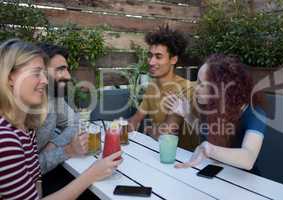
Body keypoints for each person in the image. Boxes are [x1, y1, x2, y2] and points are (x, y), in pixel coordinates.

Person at [0, 39, 122, 199]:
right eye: (36, 73)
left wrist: (55, 143)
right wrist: (90, 173)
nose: (43, 80)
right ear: (9, 77)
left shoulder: (26, 124)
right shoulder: (6, 137)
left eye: (43, 73)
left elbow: (76, 122)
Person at [164, 54, 266, 171]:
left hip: (245, 182)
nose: (196, 88)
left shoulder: (254, 113)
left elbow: (248, 158)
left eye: (201, 84)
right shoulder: (215, 107)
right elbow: (209, 130)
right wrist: (187, 114)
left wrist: (209, 149)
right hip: (218, 172)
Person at [128, 25, 199, 150]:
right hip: (157, 153)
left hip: (181, 160)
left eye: (158, 56)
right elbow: (136, 119)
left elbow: (165, 136)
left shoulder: (185, 89)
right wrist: (120, 127)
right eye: (150, 55)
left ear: (173, 59)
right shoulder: (153, 85)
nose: (151, 62)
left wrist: (150, 131)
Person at [36, 43, 88, 174]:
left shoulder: (53, 97)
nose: (68, 76)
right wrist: (68, 150)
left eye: (66, 69)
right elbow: (25, 171)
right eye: (60, 69)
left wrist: (54, 143)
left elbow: (76, 122)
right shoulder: (19, 111)